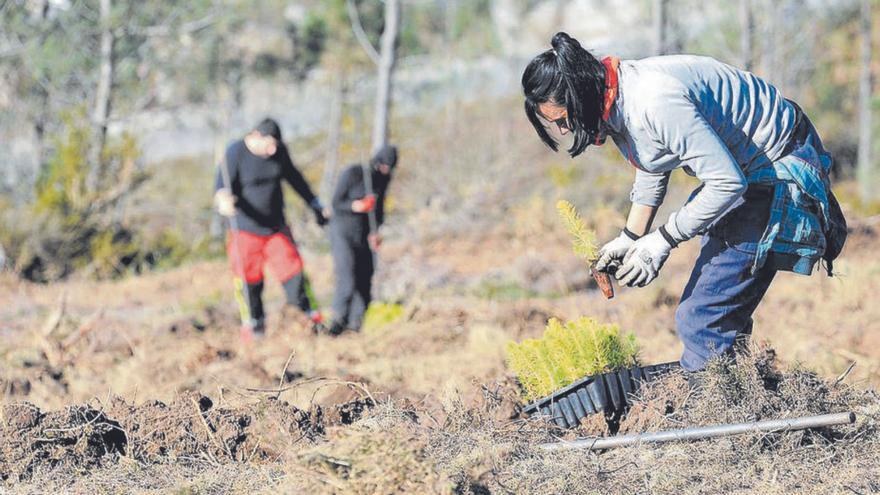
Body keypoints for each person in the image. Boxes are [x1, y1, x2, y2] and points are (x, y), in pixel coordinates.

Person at [522, 33, 846, 371]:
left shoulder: (653, 101)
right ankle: (741, 390)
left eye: (562, 120)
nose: (562, 130)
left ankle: (718, 407)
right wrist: (630, 237)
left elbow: (727, 182)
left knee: (702, 319)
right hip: (746, 173)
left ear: (580, 96)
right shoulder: (617, 95)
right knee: (716, 310)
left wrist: (662, 240)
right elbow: (653, 159)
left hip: (777, 167)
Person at [214, 118, 329, 342]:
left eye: (276, 144)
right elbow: (220, 188)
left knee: (293, 272)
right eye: (269, 144)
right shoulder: (235, 153)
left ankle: (309, 319)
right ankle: (254, 327)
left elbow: (295, 179)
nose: (273, 149)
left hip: (276, 228)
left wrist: (315, 203)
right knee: (248, 279)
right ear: (255, 136)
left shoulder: (278, 153)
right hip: (245, 230)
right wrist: (224, 202)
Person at [327, 145, 398, 335]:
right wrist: (355, 205)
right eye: (382, 166)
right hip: (343, 232)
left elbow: (379, 211)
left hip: (364, 235)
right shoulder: (354, 173)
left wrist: (376, 231)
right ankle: (336, 323)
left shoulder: (383, 181)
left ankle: (355, 326)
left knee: (365, 278)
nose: (384, 171)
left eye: (388, 168)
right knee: (347, 279)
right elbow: (336, 203)